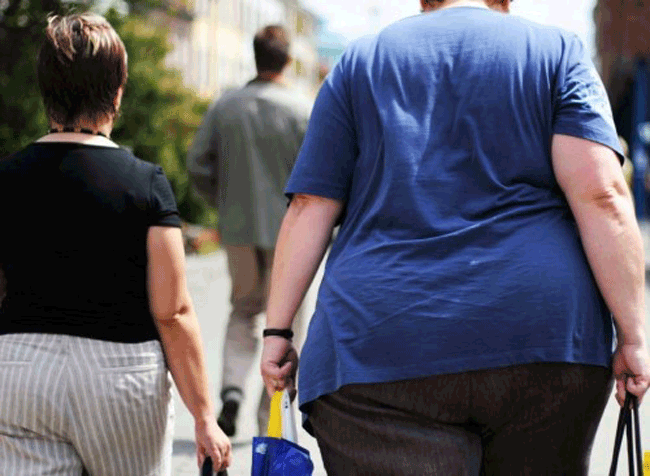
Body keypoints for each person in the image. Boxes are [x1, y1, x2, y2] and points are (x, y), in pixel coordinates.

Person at [260, 0, 650, 474]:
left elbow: (310, 205)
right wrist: (633, 335)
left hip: (377, 349)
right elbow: (601, 194)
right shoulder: (556, 53)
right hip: (543, 341)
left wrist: (278, 331)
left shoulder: (361, 62)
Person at [0, 13, 231, 474]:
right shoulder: (145, 183)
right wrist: (205, 416)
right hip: (121, 376)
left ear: (45, 88)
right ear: (118, 90)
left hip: (20, 370)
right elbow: (173, 311)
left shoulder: (6, 178)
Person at [187, 25, 312, 437]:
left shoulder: (226, 106)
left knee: (242, 310)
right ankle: (269, 416)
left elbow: (197, 163)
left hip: (238, 228)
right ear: (287, 60)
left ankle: (232, 390)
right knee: (286, 324)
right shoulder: (302, 109)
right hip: (291, 235)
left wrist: (222, 201)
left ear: (255, 56)